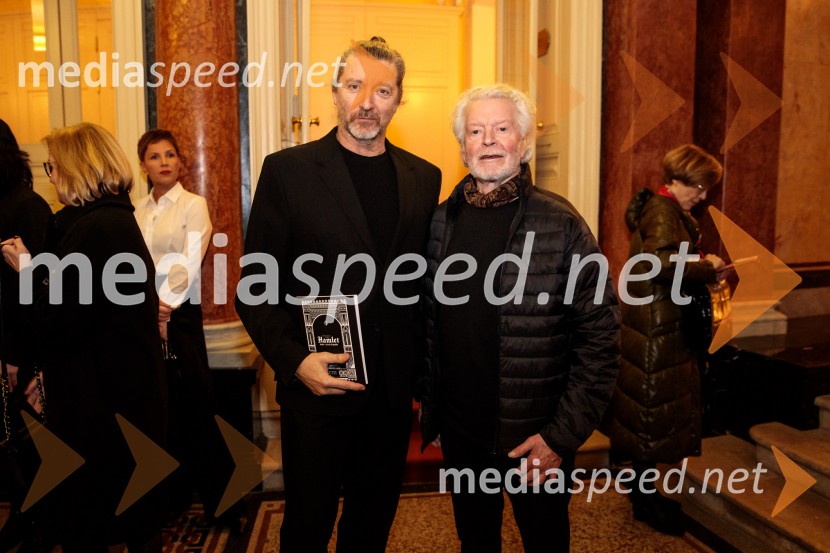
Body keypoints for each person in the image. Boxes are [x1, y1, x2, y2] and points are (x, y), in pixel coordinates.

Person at [235, 37, 441, 552]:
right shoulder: (288, 171)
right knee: (307, 526)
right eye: (355, 86)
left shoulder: (424, 177)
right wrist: (296, 361)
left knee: (371, 526)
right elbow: (254, 287)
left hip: (392, 395)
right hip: (316, 388)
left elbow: (423, 287)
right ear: (334, 93)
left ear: (399, 99)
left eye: (383, 90)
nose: (367, 102)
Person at [419, 84, 620, 552]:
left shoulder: (562, 223)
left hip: (536, 437)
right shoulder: (437, 223)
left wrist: (560, 436)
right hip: (463, 434)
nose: (488, 140)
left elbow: (601, 339)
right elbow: (425, 325)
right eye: (475, 131)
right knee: (476, 541)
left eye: (502, 128)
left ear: (524, 143)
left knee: (545, 543)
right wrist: (433, 411)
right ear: (462, 146)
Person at [1, 123, 167, 553]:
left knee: (94, 523)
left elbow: (57, 319)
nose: (50, 176)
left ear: (78, 169)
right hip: (116, 398)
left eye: (53, 167)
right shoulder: (108, 221)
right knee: (129, 520)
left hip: (102, 408)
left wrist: (26, 272)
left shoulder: (94, 230)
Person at [606, 144, 725, 536]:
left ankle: (646, 494)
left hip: (656, 321)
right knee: (650, 414)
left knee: (649, 411)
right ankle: (644, 501)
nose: (704, 194)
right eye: (701, 186)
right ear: (680, 180)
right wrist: (706, 267)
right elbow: (660, 263)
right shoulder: (663, 211)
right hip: (660, 325)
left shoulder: (667, 209)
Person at [134, 129, 234, 525]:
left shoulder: (194, 205)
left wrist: (165, 309)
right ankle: (171, 500)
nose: (163, 162)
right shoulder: (136, 210)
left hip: (180, 315)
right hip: (144, 315)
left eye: (170, 155)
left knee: (199, 406)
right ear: (143, 165)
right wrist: (150, 311)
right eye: (154, 156)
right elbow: (133, 265)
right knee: (161, 411)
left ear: (180, 162)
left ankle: (223, 503)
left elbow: (192, 258)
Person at [0, 119, 52, 551]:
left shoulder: (27, 206)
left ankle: (38, 519)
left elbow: (39, 289)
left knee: (31, 444)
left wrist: (19, 356)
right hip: (5, 345)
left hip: (22, 349)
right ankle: (26, 512)